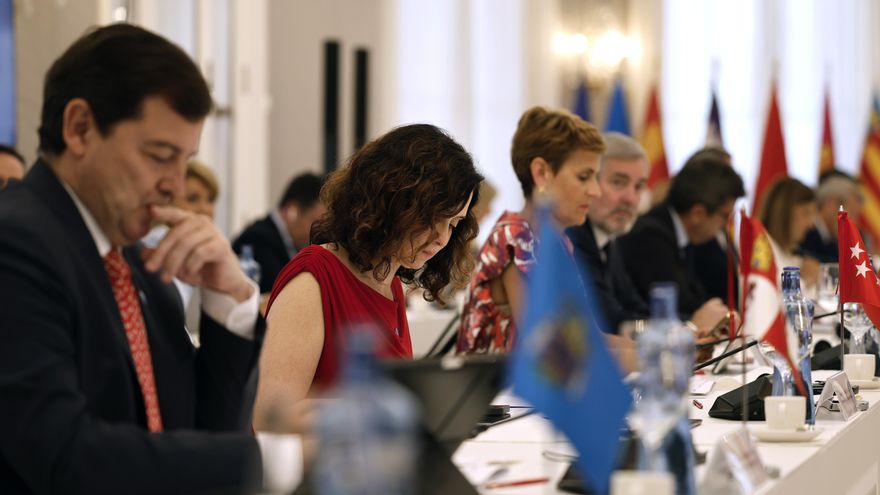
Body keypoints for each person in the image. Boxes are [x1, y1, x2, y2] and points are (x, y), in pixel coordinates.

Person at [0, 24, 305, 494]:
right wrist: (277, 458)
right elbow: (62, 454)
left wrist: (229, 300)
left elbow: (197, 436)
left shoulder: (141, 264)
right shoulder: (15, 242)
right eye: (160, 155)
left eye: (185, 160)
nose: (176, 187)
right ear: (79, 128)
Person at [252, 124, 483, 417]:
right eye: (433, 217)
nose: (441, 237)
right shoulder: (313, 278)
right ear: (392, 199)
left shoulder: (391, 283)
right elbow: (268, 417)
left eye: (452, 224)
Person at [456, 106, 605, 354]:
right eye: (584, 177)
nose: (596, 191)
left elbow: (590, 339)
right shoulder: (515, 237)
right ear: (541, 172)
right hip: (496, 391)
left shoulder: (557, 242)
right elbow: (550, 348)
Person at [566, 134, 730, 356]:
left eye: (639, 186)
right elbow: (610, 321)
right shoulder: (572, 239)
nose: (631, 199)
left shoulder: (608, 241)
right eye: (618, 182)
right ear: (591, 183)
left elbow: (635, 308)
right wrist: (688, 326)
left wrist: (685, 329)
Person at [617, 152, 745, 318]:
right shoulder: (650, 237)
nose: (726, 225)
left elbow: (695, 296)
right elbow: (677, 307)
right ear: (697, 214)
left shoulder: (683, 235)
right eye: (724, 216)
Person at [232, 172, 326, 294]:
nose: (321, 232)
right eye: (317, 222)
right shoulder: (258, 239)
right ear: (293, 211)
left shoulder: (283, 242)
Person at [758, 177, 819, 285]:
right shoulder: (761, 253)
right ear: (784, 214)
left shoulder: (790, 254)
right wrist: (805, 280)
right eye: (806, 213)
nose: (811, 224)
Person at [800, 171, 864, 262]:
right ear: (831, 205)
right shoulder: (804, 235)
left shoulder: (832, 241)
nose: (855, 223)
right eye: (852, 214)